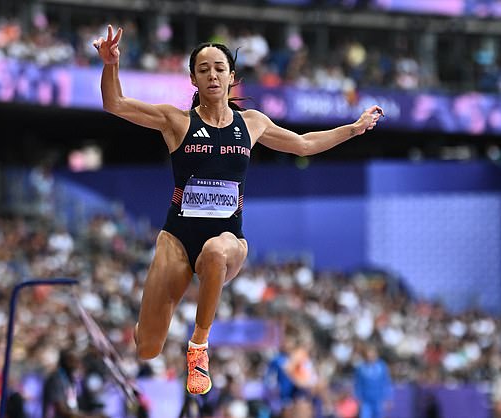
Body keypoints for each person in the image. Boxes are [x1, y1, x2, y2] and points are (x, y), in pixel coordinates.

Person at [93, 25, 384, 395]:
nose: (212, 75)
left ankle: (199, 347)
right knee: (148, 347)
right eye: (204, 69)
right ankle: (140, 327)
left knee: (215, 250)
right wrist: (111, 64)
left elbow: (304, 144)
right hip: (177, 238)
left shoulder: (252, 123)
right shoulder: (176, 121)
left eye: (219, 68)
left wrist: (354, 129)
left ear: (232, 76)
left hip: (229, 240)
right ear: (193, 79)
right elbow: (114, 103)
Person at [353, 345, 393, 418]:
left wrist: (388, 398)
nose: (370, 357)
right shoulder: (361, 368)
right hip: (365, 400)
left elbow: (386, 383)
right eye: (368, 355)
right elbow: (358, 384)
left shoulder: (382, 366)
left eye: (372, 355)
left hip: (379, 399)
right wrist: (358, 398)